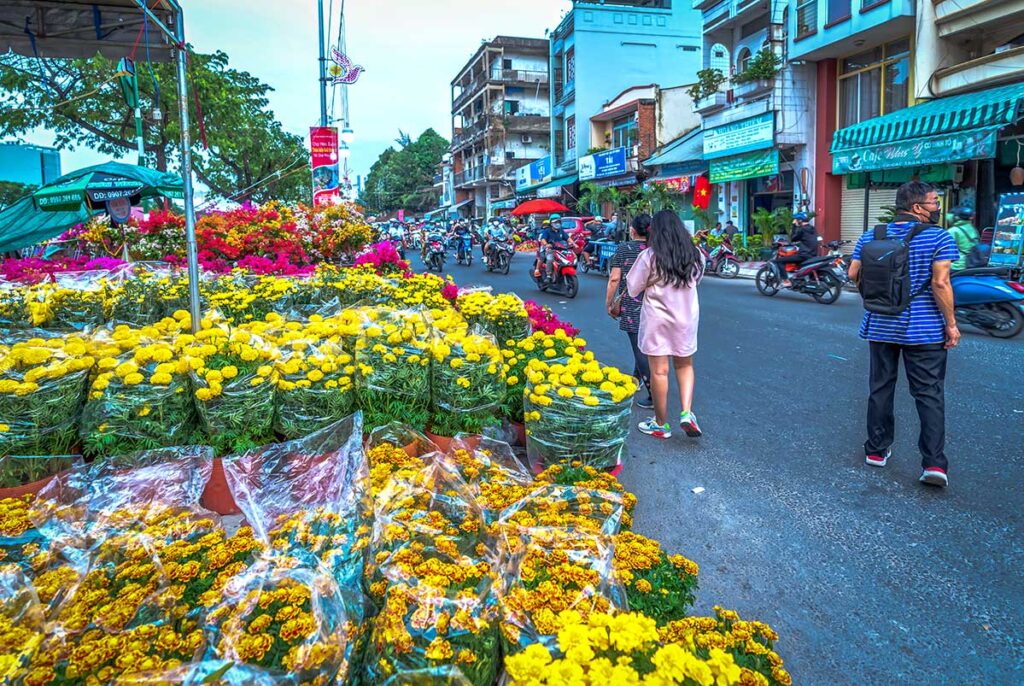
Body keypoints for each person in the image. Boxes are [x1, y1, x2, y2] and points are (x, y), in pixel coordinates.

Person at [847, 181, 960, 488]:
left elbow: (853, 274)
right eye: (934, 203)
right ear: (916, 207)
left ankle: (876, 450)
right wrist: (950, 323)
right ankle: (934, 463)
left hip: (881, 325)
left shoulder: (872, 235)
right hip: (924, 330)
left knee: (881, 388)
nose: (937, 207)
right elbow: (941, 283)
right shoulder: (939, 237)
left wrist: (875, 300)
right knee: (929, 394)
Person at [627, 209, 704, 440]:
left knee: (659, 371)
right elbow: (697, 279)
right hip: (686, 319)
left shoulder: (649, 256)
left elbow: (633, 288)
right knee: (684, 365)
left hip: (657, 319)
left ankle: (661, 424)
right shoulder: (695, 254)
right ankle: (687, 413)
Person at [606, 214, 653, 409]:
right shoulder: (655, 249)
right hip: (656, 303)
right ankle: (637, 377)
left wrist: (609, 302)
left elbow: (615, 279)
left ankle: (653, 393)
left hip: (633, 303)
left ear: (632, 230)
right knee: (644, 345)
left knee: (639, 348)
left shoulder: (624, 249)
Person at [772, 212, 819, 287]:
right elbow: (807, 239)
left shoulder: (802, 229)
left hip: (804, 255)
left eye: (796, 220)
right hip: (813, 254)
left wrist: (794, 225)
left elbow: (793, 238)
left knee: (779, 261)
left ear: (800, 221)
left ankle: (786, 281)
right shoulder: (812, 228)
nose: (795, 221)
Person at [535, 214, 569, 280]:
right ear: (551, 223)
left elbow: (567, 238)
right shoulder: (547, 231)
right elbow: (543, 239)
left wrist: (573, 243)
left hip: (560, 249)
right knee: (550, 259)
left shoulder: (561, 231)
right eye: (555, 222)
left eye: (559, 222)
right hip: (550, 249)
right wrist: (546, 244)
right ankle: (548, 275)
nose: (557, 224)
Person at [946, 206, 980, 271]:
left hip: (958, 265)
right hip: (972, 262)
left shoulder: (953, 231)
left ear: (956, 218)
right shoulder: (972, 228)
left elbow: (945, 250)